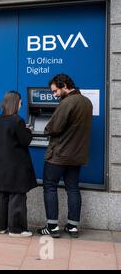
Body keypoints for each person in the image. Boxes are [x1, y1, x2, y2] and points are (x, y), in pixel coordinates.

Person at [37, 74, 93, 238]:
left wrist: (46, 129)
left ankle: (52, 227)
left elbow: (53, 128)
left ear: (64, 85)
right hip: (76, 156)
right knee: (73, 188)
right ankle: (73, 226)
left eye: (55, 91)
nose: (54, 95)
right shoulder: (86, 102)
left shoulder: (67, 102)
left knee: (50, 187)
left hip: (59, 155)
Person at [0, 91, 37, 238]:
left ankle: (1, 227)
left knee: (3, 195)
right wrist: (28, 131)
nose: (21, 104)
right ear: (15, 103)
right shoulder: (17, 120)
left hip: (2, 165)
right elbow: (25, 141)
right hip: (16, 166)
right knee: (17, 196)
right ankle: (16, 229)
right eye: (20, 102)